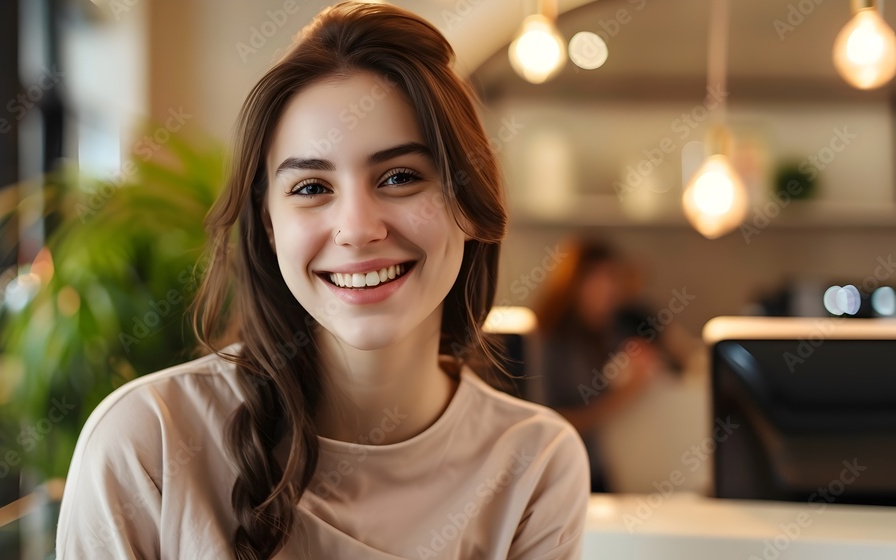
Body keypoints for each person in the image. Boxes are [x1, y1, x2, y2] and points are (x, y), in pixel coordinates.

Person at [55, 3, 589, 559]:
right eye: (311, 187)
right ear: (269, 223)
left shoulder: (536, 463)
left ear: (470, 203)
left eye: (401, 177)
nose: (357, 230)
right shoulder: (149, 441)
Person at [532, 238, 665, 492]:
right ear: (575, 283)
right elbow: (551, 421)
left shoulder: (604, 335)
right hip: (556, 474)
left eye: (613, 280)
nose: (609, 290)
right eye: (600, 279)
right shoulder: (546, 341)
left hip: (593, 467)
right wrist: (627, 393)